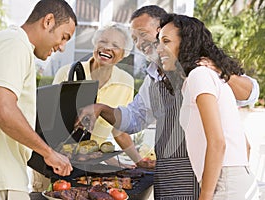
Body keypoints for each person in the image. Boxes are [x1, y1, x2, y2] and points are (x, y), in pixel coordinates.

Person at [75, 5, 260, 200]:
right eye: (135, 38)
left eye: (143, 34)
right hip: (170, 178)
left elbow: (249, 93)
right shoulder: (153, 78)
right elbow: (134, 118)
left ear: (163, 29)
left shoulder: (201, 72)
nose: (139, 43)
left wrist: (218, 69)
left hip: (205, 176)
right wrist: (102, 109)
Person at [0, 0, 77, 199]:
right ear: (48, 21)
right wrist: (48, 153)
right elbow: (3, 110)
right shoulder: (14, 43)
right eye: (64, 37)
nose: (62, 47)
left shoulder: (7, 42)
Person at [157, 13, 260, 199]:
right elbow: (245, 145)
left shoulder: (199, 76)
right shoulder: (208, 77)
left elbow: (218, 142)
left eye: (166, 41)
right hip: (235, 180)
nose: (159, 49)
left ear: (186, 43)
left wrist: (205, 195)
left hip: (226, 184)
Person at [32, 23, 145, 192]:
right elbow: (47, 121)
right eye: (103, 41)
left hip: (87, 166)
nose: (107, 47)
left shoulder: (126, 83)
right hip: (51, 161)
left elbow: (119, 130)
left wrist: (139, 161)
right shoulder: (67, 73)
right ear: (94, 44)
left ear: (123, 55)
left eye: (115, 45)